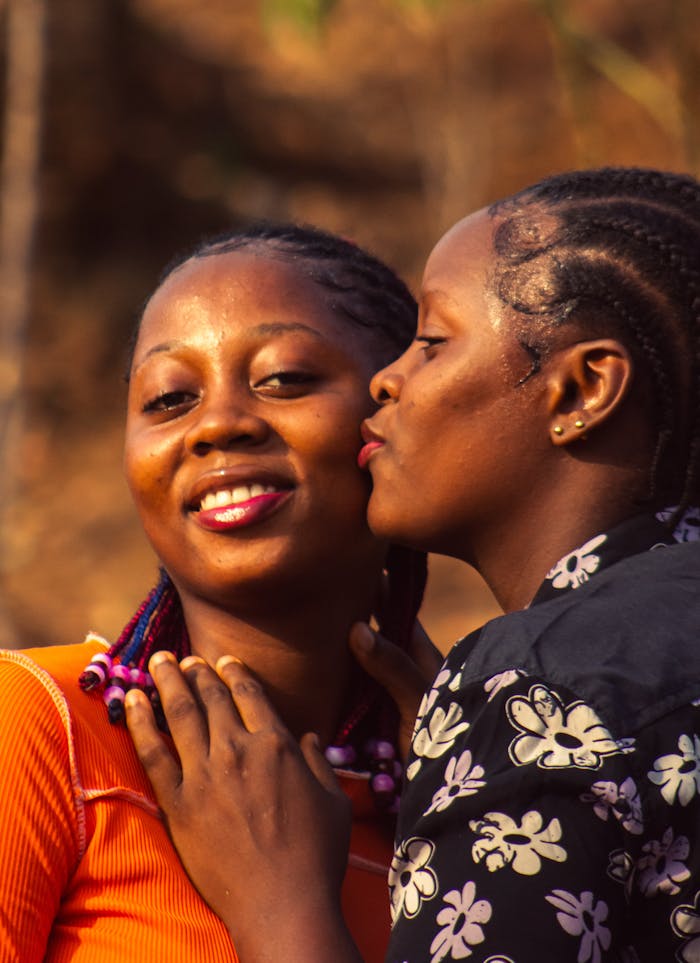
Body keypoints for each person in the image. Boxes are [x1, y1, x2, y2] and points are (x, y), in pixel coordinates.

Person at [126, 167, 700, 963]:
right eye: (166, 397)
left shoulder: (537, 691)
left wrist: (281, 906)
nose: (388, 383)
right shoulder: (39, 725)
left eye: (431, 344)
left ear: (582, 389)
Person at [0, 223, 428, 962]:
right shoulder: (43, 726)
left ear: (394, 414)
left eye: (284, 378)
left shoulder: (458, 803)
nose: (218, 425)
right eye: (170, 398)